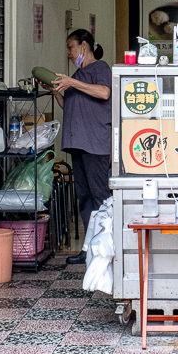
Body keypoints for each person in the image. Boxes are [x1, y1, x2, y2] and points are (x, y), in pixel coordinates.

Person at [49, 29, 112, 264]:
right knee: (84, 197)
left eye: (70, 47)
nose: (68, 52)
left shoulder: (100, 69)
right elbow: (72, 106)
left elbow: (105, 93)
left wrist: (71, 81)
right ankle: (89, 248)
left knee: (100, 197)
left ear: (83, 46)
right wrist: (57, 93)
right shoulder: (78, 73)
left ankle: (107, 247)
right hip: (78, 144)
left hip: (95, 144)